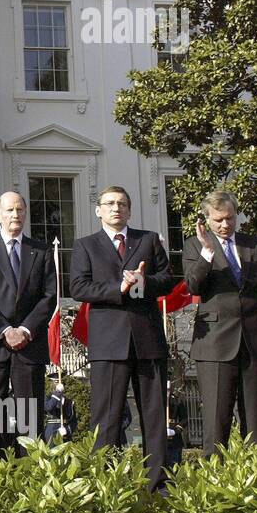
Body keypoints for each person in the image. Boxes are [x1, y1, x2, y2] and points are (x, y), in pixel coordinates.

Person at [69, 185, 177, 492]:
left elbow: (168, 279)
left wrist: (142, 281)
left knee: (154, 417)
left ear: (129, 210)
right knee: (106, 418)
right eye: (109, 203)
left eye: (121, 204)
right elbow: (79, 288)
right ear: (98, 210)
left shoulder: (148, 240)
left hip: (148, 339)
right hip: (108, 343)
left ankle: (155, 484)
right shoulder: (85, 245)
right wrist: (119, 287)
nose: (116, 208)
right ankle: (104, 484)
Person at [182, 189, 257, 455]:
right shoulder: (195, 245)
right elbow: (194, 285)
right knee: (217, 418)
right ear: (207, 220)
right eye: (218, 220)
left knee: (256, 418)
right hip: (215, 342)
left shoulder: (254, 244)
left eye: (229, 218)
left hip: (254, 339)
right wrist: (207, 253)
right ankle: (215, 479)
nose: (225, 224)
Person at [0, 191, 57, 457]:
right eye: (9, 210)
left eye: (19, 210)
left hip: (30, 345)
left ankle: (29, 474)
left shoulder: (41, 251)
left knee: (29, 416)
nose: (15, 215)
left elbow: (49, 296)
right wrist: (5, 331)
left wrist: (25, 330)